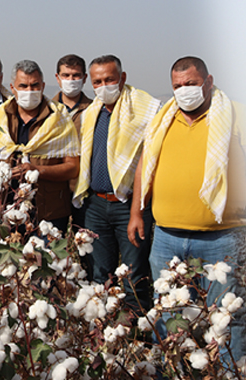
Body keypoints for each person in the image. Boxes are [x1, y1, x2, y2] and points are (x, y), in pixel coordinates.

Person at [130, 56, 246, 358]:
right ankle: (176, 369)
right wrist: (135, 213)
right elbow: (145, 167)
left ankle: (227, 371)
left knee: (227, 316)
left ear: (208, 81)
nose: (184, 91)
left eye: (191, 84)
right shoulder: (163, 119)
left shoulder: (235, 114)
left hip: (223, 238)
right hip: (167, 237)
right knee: (170, 310)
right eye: (178, 86)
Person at [72, 55, 160, 311]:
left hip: (129, 206)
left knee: (134, 275)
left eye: (109, 79)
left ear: (122, 78)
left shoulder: (144, 110)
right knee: (100, 274)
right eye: (97, 81)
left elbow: (150, 161)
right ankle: (105, 334)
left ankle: (136, 336)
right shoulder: (91, 113)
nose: (103, 86)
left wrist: (138, 210)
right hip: (96, 205)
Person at [0, 60, 79, 231]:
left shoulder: (59, 118)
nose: (29, 91)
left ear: (43, 86)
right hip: (7, 210)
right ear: (12, 87)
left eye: (34, 85)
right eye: (23, 86)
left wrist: (35, 170)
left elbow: (72, 168)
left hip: (48, 213)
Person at [52, 54, 92, 134]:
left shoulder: (94, 109)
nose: (71, 79)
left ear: (84, 78)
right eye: (66, 75)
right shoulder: (47, 109)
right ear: (57, 78)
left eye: (76, 75)